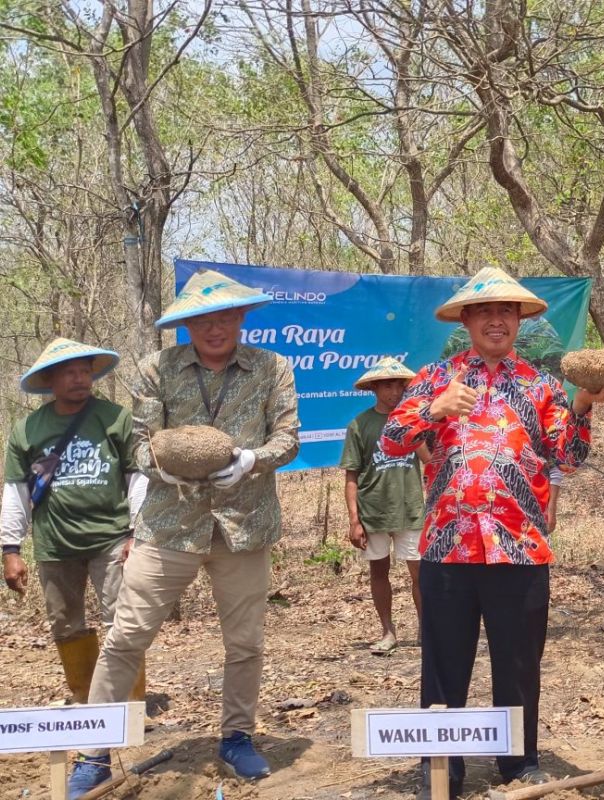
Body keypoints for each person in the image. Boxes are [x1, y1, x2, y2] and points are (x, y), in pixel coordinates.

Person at [379, 266, 604, 798]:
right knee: (443, 661)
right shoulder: (434, 379)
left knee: (517, 661)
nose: (495, 320)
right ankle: (442, 765)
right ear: (465, 320)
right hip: (447, 544)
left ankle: (519, 761)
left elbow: (570, 459)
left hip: (520, 548)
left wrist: (581, 406)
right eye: (484, 311)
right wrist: (432, 412)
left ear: (518, 320)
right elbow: (392, 443)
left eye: (505, 311)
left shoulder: (543, 384)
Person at [69, 269, 300, 798]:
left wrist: (251, 460)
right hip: (169, 523)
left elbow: (288, 436)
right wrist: (160, 467)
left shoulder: (272, 368)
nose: (214, 327)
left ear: (241, 317)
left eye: (224, 316)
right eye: (202, 319)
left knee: (245, 642)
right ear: (185, 323)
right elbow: (141, 441)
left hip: (244, 524)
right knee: (126, 635)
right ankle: (95, 751)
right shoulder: (157, 368)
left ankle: (236, 736)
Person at [2, 338, 147, 705]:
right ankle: (85, 701)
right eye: (70, 372)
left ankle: (129, 705)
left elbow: (137, 478)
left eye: (85, 371)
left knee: (123, 620)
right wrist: (11, 549)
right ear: (50, 379)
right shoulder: (28, 430)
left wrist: (137, 532)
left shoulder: (115, 418)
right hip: (55, 542)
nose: (80, 378)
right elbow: (16, 491)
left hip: (112, 537)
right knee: (65, 624)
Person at [341, 357, 424, 654]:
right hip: (373, 510)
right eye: (388, 385)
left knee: (420, 573)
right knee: (379, 571)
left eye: (400, 385)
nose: (395, 391)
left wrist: (414, 429)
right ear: (375, 388)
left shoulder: (413, 420)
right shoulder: (360, 425)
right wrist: (354, 520)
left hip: (410, 507)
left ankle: (426, 630)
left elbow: (429, 460)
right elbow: (352, 475)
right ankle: (388, 631)